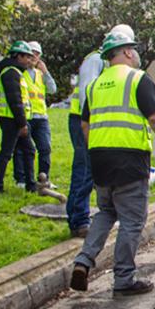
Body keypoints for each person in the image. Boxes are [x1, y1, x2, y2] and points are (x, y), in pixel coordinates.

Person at [70, 27, 155, 297]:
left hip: (100, 160)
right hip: (130, 161)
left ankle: (83, 261)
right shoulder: (137, 79)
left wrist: (96, 147)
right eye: (135, 51)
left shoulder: (95, 85)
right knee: (132, 221)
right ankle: (123, 279)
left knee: (106, 212)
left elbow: (85, 125)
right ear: (128, 52)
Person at [65, 36, 109, 238]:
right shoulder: (96, 59)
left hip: (91, 120)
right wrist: (89, 120)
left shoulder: (107, 63)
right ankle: (79, 220)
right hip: (82, 119)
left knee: (89, 169)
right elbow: (86, 92)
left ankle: (79, 217)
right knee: (84, 169)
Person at [0, 41, 37, 194]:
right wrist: (22, 123)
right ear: (18, 56)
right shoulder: (11, 72)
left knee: (28, 150)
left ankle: (31, 184)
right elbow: (15, 100)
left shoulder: (15, 72)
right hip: (12, 120)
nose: (29, 61)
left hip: (14, 119)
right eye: (27, 57)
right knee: (7, 152)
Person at [23, 41, 58, 192]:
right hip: (26, 116)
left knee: (45, 148)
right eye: (32, 54)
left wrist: (46, 72)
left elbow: (52, 89)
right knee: (24, 150)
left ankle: (44, 178)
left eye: (37, 55)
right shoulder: (21, 72)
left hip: (41, 117)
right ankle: (24, 179)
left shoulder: (40, 74)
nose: (34, 57)